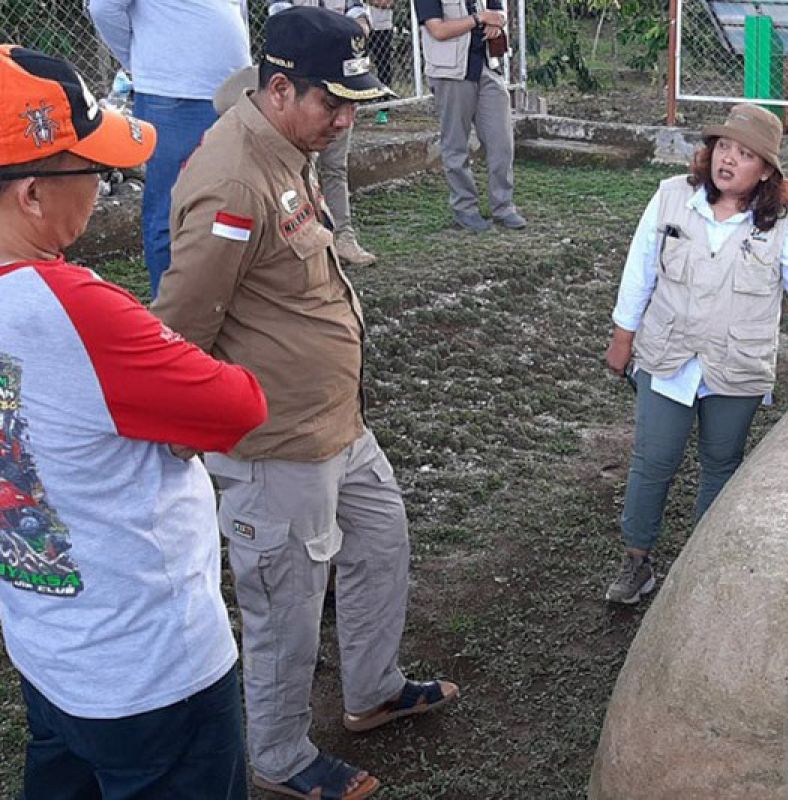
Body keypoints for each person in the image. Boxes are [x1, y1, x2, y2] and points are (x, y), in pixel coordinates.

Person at [153, 9, 458, 799]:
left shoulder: (290, 145)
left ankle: (371, 690)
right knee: (285, 606)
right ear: (280, 88)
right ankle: (281, 757)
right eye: (336, 102)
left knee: (381, 544)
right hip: (277, 441)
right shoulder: (231, 179)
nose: (348, 119)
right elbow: (185, 327)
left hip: (337, 425)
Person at [0, 45, 267, 798]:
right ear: (30, 195)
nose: (106, 186)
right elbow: (235, 405)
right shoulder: (78, 313)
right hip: (151, 672)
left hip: (47, 647)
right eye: (94, 171)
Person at [602, 104, 788, 604]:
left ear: (766, 171)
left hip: (737, 366)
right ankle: (636, 561)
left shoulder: (785, 223)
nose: (728, 160)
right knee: (652, 461)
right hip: (668, 356)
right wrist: (623, 336)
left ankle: (700, 570)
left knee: (720, 463)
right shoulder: (671, 198)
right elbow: (639, 268)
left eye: (745, 154)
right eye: (723, 147)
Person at [87, 0, 252, 298]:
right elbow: (103, 8)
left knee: (232, 199)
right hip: (174, 95)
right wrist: (145, 64)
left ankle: (217, 303)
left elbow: (237, 11)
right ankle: (172, 312)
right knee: (169, 208)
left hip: (230, 94)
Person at [267, 0, 379, 266]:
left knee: (336, 167)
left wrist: (353, 31)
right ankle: (309, 240)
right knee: (303, 170)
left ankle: (343, 238)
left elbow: (360, 15)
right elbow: (280, 19)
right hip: (305, 87)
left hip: (343, 80)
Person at [417, 0, 526, 232]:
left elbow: (498, 10)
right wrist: (479, 19)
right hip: (451, 72)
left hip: (486, 67)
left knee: (501, 141)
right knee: (455, 145)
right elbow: (438, 30)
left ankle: (503, 206)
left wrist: (497, 21)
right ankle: (465, 209)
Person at [367, 0, 397, 124]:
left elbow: (388, 3)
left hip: (382, 26)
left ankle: (383, 107)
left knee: (383, 65)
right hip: (361, 23)